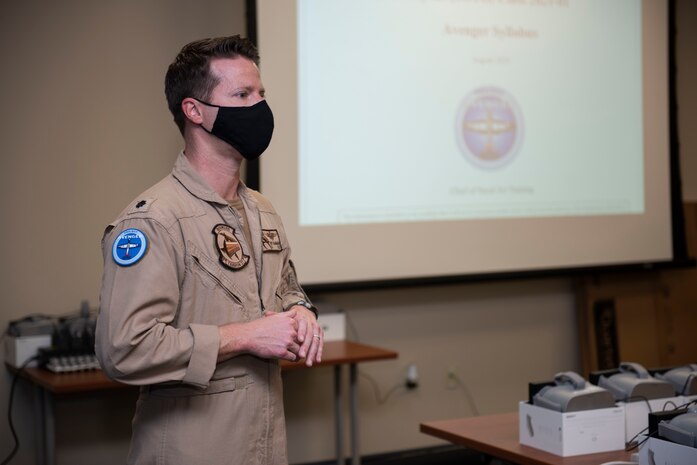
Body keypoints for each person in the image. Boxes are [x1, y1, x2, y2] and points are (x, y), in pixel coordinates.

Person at [95, 35, 323, 465]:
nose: (259, 107)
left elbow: (287, 287)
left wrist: (301, 313)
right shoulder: (154, 220)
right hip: (191, 451)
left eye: (261, 94)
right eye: (242, 94)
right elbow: (123, 349)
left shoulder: (262, 210)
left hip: (265, 446)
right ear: (194, 111)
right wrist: (246, 336)